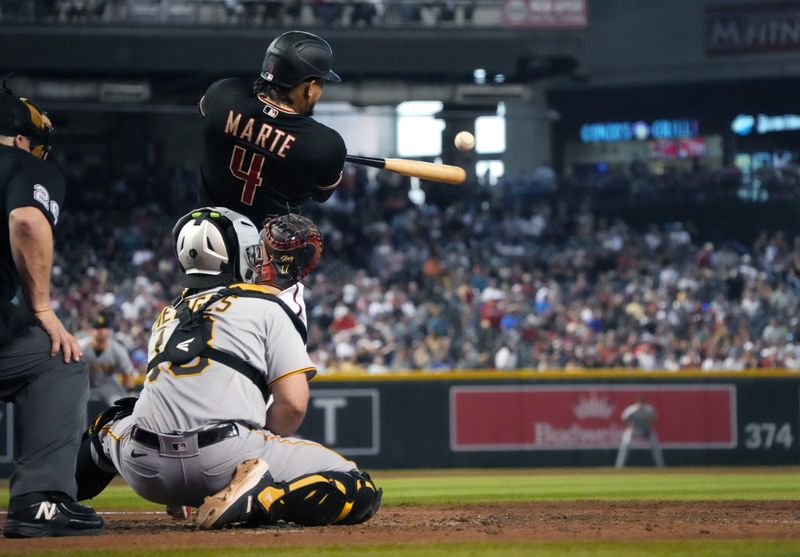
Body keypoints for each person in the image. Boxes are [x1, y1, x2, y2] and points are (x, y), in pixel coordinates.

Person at [76, 207, 381, 529]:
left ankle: (53, 497)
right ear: (244, 255)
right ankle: (261, 499)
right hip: (223, 458)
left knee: (110, 421)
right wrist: (255, 453)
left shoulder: (166, 316)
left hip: (144, 469)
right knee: (357, 487)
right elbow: (292, 405)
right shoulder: (268, 306)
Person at [0, 89, 104, 537]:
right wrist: (40, 306)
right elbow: (27, 220)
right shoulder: (23, 165)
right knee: (57, 359)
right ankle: (39, 501)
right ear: (21, 139)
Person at [197, 30, 346, 225]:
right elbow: (321, 194)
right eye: (320, 84)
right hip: (261, 249)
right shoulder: (325, 144)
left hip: (202, 234)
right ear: (309, 88)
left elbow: (203, 110)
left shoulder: (222, 93)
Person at [79, 312, 137, 406]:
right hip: (85, 385)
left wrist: (130, 392)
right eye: (97, 328)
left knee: (121, 406)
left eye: (104, 328)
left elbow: (127, 372)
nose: (101, 331)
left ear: (109, 331)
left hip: (109, 385)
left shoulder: (118, 350)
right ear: (91, 331)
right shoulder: (81, 347)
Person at [615, 396, 665, 468]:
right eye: (639, 403)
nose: (640, 405)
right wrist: (629, 427)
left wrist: (647, 426)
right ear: (636, 403)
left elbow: (653, 418)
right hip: (633, 429)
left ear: (644, 403)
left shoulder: (649, 410)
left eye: (642, 403)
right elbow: (624, 419)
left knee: (655, 444)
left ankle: (661, 466)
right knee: (625, 444)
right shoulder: (631, 410)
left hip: (645, 429)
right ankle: (619, 466)